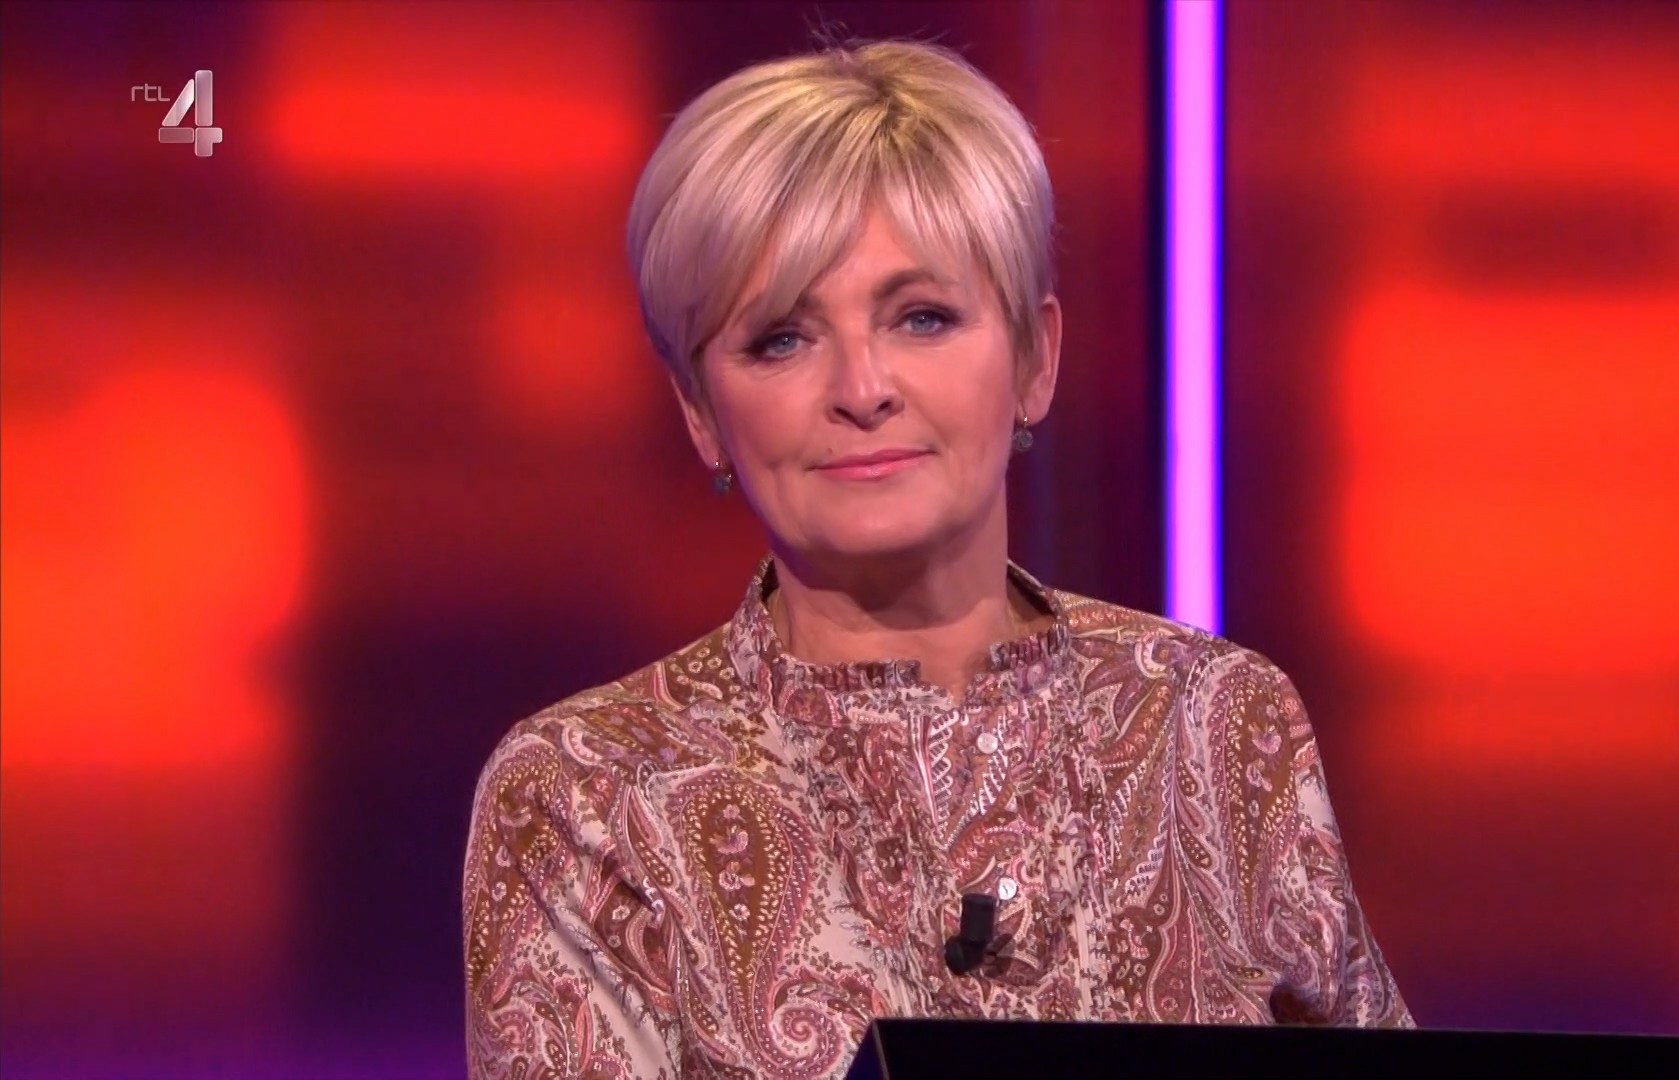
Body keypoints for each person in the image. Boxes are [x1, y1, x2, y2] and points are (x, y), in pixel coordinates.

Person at [462, 37, 1411, 1079]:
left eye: (922, 318)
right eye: (781, 338)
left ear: (1035, 357)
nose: (861, 388)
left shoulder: (1218, 722)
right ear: (700, 411)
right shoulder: (589, 795)